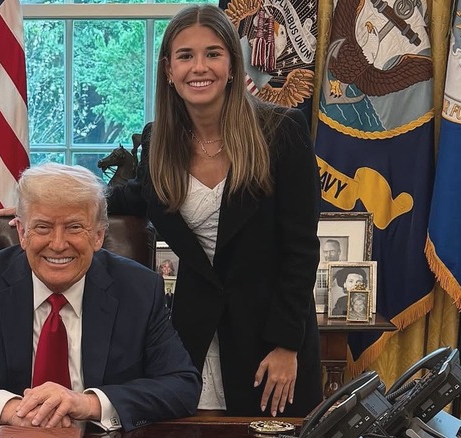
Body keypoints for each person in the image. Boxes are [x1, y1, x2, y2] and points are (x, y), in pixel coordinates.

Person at [106, 4, 322, 417]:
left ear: (232, 64)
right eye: (185, 56)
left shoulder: (283, 132)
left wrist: (286, 345)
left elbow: (301, 249)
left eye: (213, 53)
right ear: (169, 70)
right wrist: (58, 205)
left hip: (271, 340)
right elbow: (135, 195)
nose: (198, 67)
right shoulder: (158, 141)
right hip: (194, 336)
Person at [0, 163, 201, 433]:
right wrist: (7, 409)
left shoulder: (138, 288)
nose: (58, 245)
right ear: (21, 232)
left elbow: (182, 385)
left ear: (98, 235)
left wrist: (88, 404)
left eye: (74, 227)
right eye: (42, 227)